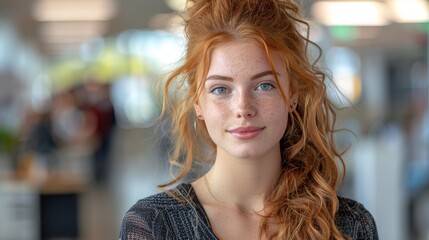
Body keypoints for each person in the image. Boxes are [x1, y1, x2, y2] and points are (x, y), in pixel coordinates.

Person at [119, 0, 378, 239]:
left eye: (265, 85)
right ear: (198, 102)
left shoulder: (349, 225)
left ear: (292, 94)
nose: (243, 108)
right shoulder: (153, 225)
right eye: (220, 89)